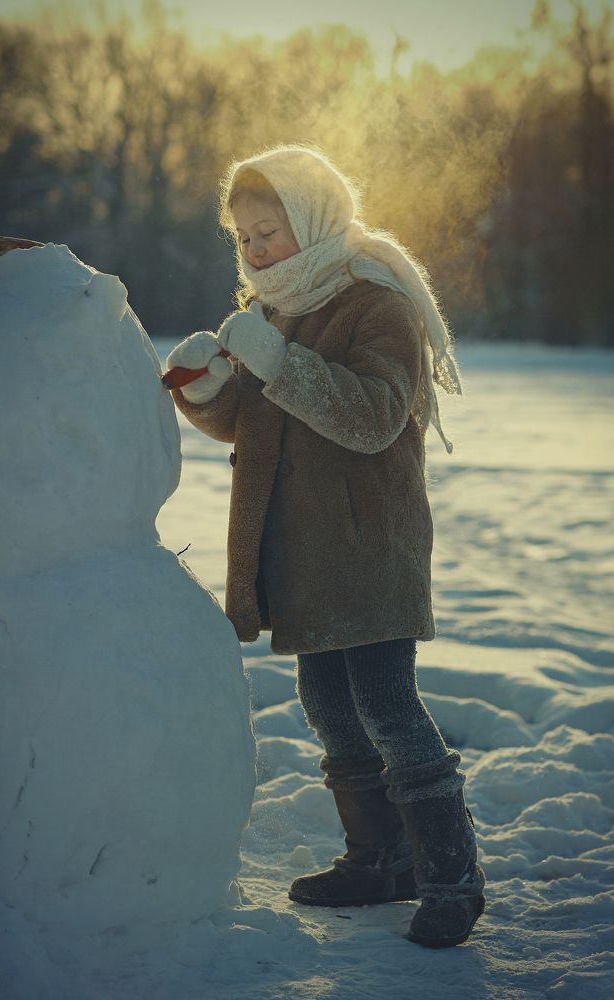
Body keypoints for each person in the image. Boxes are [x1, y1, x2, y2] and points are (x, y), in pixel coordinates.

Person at [166, 145, 485, 948]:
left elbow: (373, 416)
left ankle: (451, 877)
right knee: (329, 706)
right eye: (244, 237)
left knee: (386, 705)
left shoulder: (376, 303)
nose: (255, 249)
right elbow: (260, 423)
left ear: (312, 219)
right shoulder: (277, 310)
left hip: (368, 546)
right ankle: (379, 859)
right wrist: (209, 390)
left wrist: (277, 360)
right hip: (303, 552)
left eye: (269, 231)